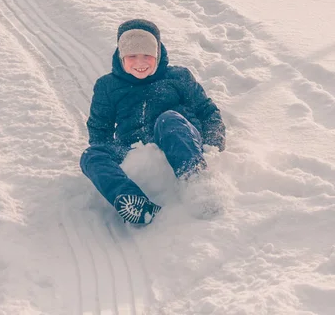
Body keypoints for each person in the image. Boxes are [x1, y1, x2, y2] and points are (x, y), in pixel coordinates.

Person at [80, 19, 226, 225]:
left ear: (157, 54)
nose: (140, 63)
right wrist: (111, 153)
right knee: (91, 155)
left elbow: (207, 111)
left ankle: (197, 181)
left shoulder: (178, 77)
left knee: (168, 119)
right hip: (135, 149)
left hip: (181, 141)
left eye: (147, 56)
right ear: (121, 56)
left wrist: (212, 144)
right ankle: (135, 202)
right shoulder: (107, 86)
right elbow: (99, 130)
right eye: (132, 56)